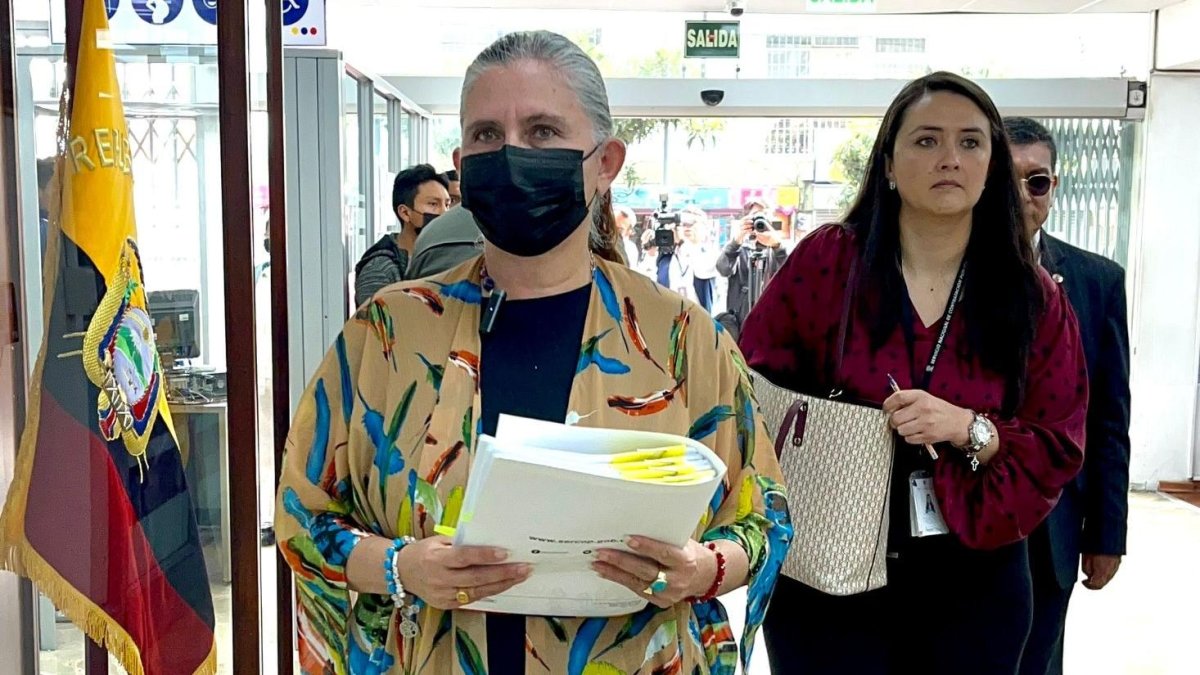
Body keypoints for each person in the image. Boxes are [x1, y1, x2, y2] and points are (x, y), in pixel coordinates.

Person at [276, 30, 791, 674]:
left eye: (544, 131)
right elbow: (303, 517)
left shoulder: (682, 339)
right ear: (462, 163)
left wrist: (698, 570)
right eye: (488, 135)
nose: (513, 153)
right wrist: (400, 567)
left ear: (605, 163)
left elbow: (763, 517)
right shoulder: (387, 332)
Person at [739, 72, 1088, 674]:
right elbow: (753, 388)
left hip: (974, 578)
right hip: (831, 566)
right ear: (891, 164)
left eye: (971, 143)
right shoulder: (830, 262)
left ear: (992, 165)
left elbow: (1059, 442)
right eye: (927, 140)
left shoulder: (1031, 298)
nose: (950, 158)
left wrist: (969, 427)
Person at [1005, 117, 1131, 675]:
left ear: (1053, 188)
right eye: (1006, 179)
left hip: (1051, 528)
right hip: (949, 526)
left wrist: (1107, 533)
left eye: (1037, 181)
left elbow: (1109, 417)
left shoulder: (1095, 281)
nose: (1023, 195)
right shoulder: (933, 275)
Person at [354, 164, 450, 306]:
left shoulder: (443, 256)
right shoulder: (380, 270)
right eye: (433, 204)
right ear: (405, 213)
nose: (444, 213)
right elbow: (375, 325)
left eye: (447, 204)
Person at [715, 200, 787, 331]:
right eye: (755, 215)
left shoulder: (777, 249)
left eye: (764, 215)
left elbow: (793, 274)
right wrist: (736, 242)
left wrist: (777, 246)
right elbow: (723, 269)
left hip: (770, 324)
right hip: (741, 324)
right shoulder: (739, 248)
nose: (760, 220)